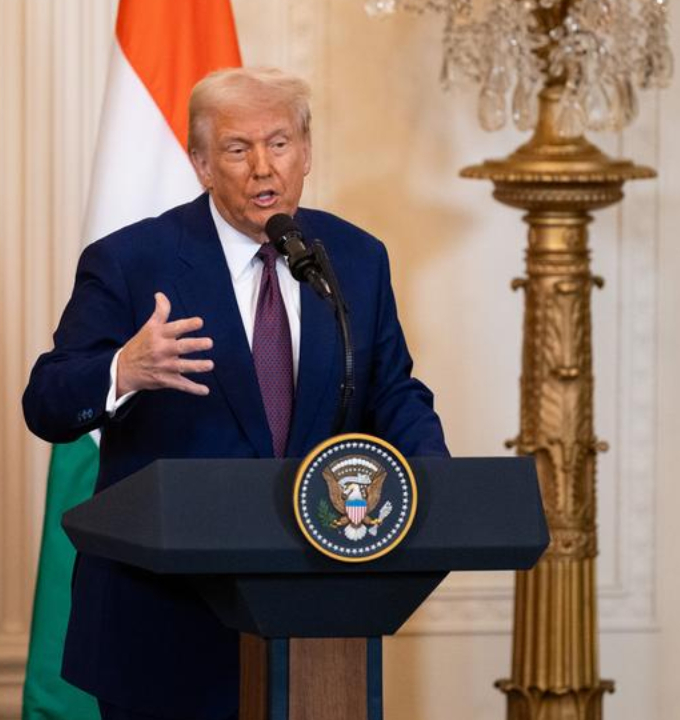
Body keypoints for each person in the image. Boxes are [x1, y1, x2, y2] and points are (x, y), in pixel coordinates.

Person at [22, 67, 448, 720]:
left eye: (278, 143)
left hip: (316, 607)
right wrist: (121, 371)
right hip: (163, 622)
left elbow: (391, 392)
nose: (261, 168)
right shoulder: (132, 261)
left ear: (305, 153)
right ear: (200, 162)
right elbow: (46, 403)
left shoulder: (356, 260)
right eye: (236, 148)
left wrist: (438, 488)